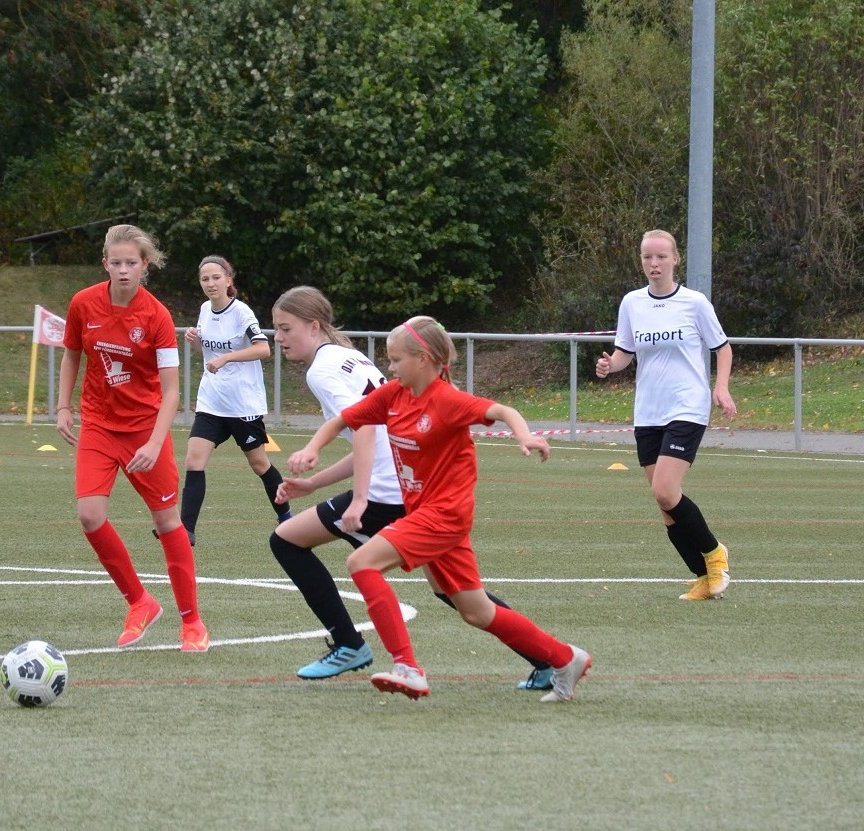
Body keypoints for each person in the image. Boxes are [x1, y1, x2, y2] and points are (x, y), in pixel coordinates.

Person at [287, 315, 592, 703]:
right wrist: (312, 449)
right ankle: (565, 657)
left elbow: (503, 411)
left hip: (444, 514)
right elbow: (343, 421)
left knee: (362, 563)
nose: (389, 368)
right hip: (424, 513)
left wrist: (525, 436)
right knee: (476, 611)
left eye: (396, 360)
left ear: (424, 359)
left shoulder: (448, 401)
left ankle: (407, 667)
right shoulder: (393, 396)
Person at [56, 224, 209, 652]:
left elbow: (172, 391)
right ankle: (139, 602)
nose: (123, 270)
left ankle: (192, 623)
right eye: (116, 262)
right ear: (105, 263)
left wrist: (155, 443)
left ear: (145, 266)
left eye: (132, 263)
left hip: (145, 429)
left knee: (168, 523)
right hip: (99, 426)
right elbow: (71, 354)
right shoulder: (83, 303)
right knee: (90, 516)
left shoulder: (157, 316)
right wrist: (64, 406)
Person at [595, 229, 737, 600]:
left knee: (665, 490)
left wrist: (721, 388)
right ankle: (704, 578)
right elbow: (625, 353)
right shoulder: (632, 303)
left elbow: (722, 348)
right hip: (648, 412)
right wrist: (610, 366)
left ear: (675, 259)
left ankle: (715, 554)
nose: (654, 264)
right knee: (665, 505)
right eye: (647, 257)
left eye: (661, 256)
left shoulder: (694, 303)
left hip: (687, 406)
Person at [180, 255, 291, 544]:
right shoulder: (205, 310)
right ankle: (185, 530)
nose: (210, 283)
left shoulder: (241, 312)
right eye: (205, 279)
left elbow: (263, 349)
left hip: (242, 404)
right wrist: (194, 340)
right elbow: (204, 352)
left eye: (216, 277)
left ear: (228, 280)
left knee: (259, 464)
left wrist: (227, 358)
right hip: (212, 401)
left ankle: (286, 518)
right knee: (193, 460)